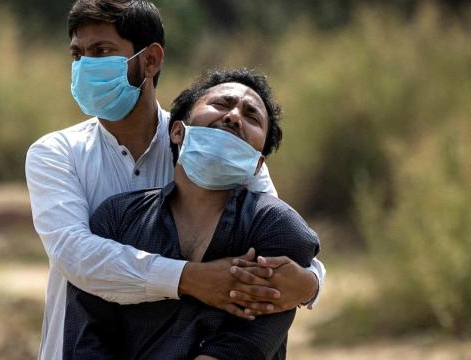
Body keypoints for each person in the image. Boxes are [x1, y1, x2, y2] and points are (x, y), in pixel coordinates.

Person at [25, 1, 325, 359]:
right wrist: (193, 279)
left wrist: (311, 284)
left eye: (101, 52)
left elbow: (280, 237)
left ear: (150, 60)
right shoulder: (57, 154)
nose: (85, 66)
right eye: (78, 55)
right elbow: (75, 256)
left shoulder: (214, 146)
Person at [64, 68, 319, 359]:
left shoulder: (276, 227)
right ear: (177, 131)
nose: (234, 117)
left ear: (258, 164)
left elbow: (248, 343)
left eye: (252, 117)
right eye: (221, 104)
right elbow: (86, 337)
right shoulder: (117, 218)